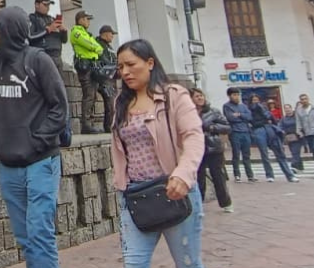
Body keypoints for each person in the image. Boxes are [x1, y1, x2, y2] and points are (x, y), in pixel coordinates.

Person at [0, 6, 69, 268]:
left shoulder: (38, 60)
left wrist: (38, 140)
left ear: (8, 29)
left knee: (40, 233)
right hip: (8, 164)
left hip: (40, 162)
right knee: (24, 236)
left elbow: (60, 107)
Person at [110, 39, 205, 268]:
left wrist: (183, 174)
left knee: (188, 263)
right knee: (133, 264)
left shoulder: (174, 96)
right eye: (121, 67)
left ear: (150, 62)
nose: (125, 72)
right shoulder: (121, 103)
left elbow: (193, 136)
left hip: (173, 192)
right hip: (136, 195)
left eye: (131, 64)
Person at [70, 11, 113, 134]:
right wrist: (96, 48)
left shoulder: (87, 33)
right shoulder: (76, 32)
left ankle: (90, 123)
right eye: (86, 19)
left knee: (93, 95)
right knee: (88, 95)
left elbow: (94, 45)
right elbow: (91, 45)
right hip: (84, 66)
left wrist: (96, 47)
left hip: (92, 66)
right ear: (80, 19)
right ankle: (86, 125)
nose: (88, 21)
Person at [191, 88, 232, 213]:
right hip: (196, 148)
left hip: (213, 147)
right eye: (197, 96)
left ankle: (226, 203)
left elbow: (226, 127)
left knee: (218, 177)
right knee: (199, 178)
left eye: (201, 95)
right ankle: (199, 205)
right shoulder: (188, 113)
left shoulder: (213, 112)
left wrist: (212, 127)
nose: (200, 98)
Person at [249, 94, 298, 182]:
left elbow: (270, 118)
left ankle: (289, 175)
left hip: (269, 129)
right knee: (264, 154)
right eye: (254, 100)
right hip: (259, 130)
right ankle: (270, 175)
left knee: (279, 152)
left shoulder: (263, 108)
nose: (256, 102)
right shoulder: (250, 111)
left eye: (257, 100)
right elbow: (253, 122)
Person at [221, 88, 257, 183]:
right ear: (229, 96)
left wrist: (239, 115)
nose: (236, 97)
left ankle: (250, 175)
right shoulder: (227, 106)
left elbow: (249, 117)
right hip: (235, 132)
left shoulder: (243, 106)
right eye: (234, 95)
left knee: (247, 155)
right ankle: (237, 175)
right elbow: (230, 118)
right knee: (236, 154)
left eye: (238, 94)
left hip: (245, 132)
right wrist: (241, 117)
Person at [26, 0, 66, 73]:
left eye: (49, 5)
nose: (47, 7)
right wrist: (48, 30)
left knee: (59, 83)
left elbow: (64, 40)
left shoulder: (52, 19)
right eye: (45, 5)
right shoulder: (32, 18)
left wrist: (64, 31)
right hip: (44, 55)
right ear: (37, 5)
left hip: (57, 56)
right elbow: (30, 36)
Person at [293, 94, 314, 171]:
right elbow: (298, 121)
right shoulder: (299, 110)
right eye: (302, 99)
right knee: (312, 149)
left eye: (305, 99)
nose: (304, 101)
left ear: (308, 99)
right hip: (307, 132)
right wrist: (299, 131)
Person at [279, 104, 302, 171]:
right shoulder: (283, 119)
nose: (287, 110)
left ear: (291, 108)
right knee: (293, 151)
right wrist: (282, 131)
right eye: (285, 109)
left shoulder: (296, 117)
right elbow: (280, 126)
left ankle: (294, 166)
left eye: (288, 108)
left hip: (297, 136)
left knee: (295, 151)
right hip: (289, 137)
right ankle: (300, 166)